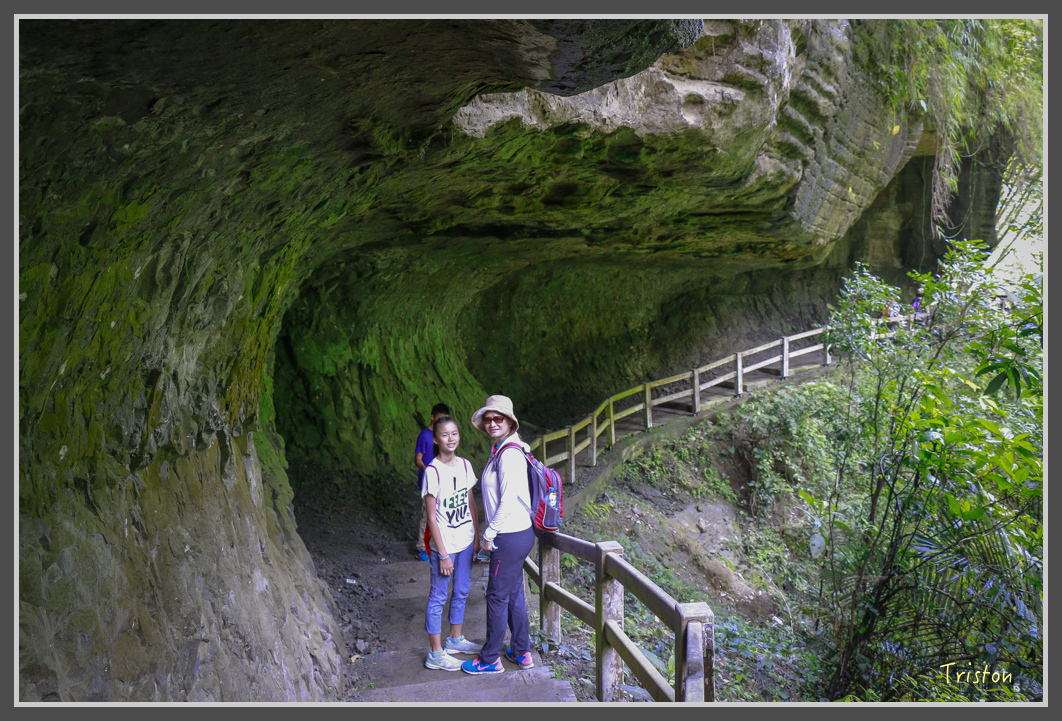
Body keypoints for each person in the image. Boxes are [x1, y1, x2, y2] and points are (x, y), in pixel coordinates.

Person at [461, 395, 536, 675]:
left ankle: (490, 658)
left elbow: (509, 499)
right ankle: (521, 651)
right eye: (488, 419)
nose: (492, 423)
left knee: (495, 596)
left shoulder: (510, 455)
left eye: (498, 418)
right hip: (518, 534)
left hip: (509, 535)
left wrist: (488, 535)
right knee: (513, 593)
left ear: (510, 423)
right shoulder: (504, 449)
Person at [421, 416, 483, 671]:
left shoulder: (466, 466)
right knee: (438, 596)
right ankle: (435, 653)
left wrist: (477, 538)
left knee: (462, 591)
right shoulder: (432, 471)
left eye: (455, 433)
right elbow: (431, 517)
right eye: (445, 435)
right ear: (436, 440)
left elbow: (470, 504)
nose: (451, 438)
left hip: (466, 541)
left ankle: (455, 640)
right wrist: (444, 554)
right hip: (445, 546)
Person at [414, 402, 450, 561]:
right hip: (428, 483)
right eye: (440, 419)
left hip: (442, 481)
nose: (442, 423)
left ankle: (436, 544)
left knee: (441, 512)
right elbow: (418, 459)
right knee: (426, 515)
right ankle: (421, 548)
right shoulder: (424, 435)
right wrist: (429, 471)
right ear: (432, 417)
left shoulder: (442, 435)